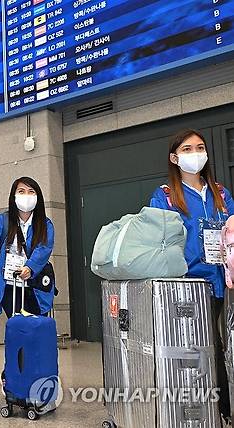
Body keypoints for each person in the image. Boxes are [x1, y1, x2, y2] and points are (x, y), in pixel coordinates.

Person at [149, 129, 234, 422]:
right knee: (205, 346)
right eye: (187, 149)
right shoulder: (166, 195)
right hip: (188, 287)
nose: (195, 153)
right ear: (174, 157)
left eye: (199, 147)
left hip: (224, 281)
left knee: (222, 345)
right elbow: (157, 239)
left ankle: (221, 408)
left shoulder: (221, 193)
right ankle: (213, 409)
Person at [0, 177, 55, 318]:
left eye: (31, 192)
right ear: (14, 195)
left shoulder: (45, 224)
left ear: (38, 197)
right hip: (9, 285)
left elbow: (43, 249)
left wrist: (30, 267)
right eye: (21, 191)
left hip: (36, 286)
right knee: (18, 327)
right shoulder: (1, 221)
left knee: (37, 328)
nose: (26, 196)